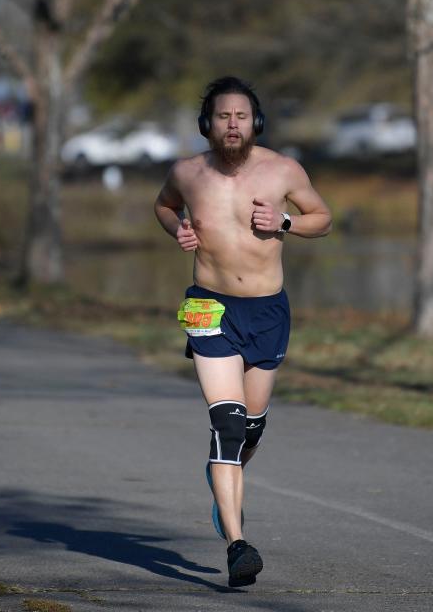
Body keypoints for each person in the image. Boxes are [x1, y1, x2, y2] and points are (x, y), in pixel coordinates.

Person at [153, 77, 332, 587]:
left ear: (256, 122)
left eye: (241, 116)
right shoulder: (187, 173)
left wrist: (286, 223)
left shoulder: (283, 170)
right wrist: (177, 228)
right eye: (223, 116)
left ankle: (223, 478)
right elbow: (164, 206)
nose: (233, 124)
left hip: (268, 312)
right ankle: (237, 545)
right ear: (206, 124)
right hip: (209, 307)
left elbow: (324, 218)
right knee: (228, 425)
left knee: (251, 429)